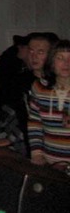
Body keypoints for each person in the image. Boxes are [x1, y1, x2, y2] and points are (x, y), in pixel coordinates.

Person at [0, 32, 55, 156]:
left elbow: (44, 121)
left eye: (40, 52)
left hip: (52, 147)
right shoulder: (22, 79)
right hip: (31, 148)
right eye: (31, 51)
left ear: (51, 55)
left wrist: (11, 139)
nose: (34, 56)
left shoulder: (56, 82)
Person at [27, 39, 70, 171]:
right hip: (49, 163)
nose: (66, 63)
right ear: (52, 62)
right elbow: (35, 123)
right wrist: (36, 153)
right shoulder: (39, 87)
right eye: (60, 58)